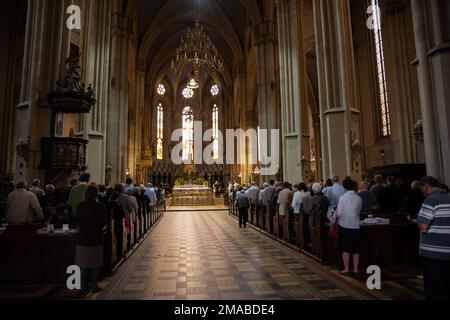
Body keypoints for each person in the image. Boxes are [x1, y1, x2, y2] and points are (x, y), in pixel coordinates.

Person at [416, 176, 450, 300]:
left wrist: (419, 222)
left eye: (422, 190)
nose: (423, 193)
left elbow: (423, 226)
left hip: (433, 251)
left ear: (427, 187)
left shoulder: (430, 200)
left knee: (435, 286)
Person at [75, 185, 107, 294]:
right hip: (96, 237)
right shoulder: (100, 206)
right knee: (95, 264)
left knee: (82, 264)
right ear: (96, 194)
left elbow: (76, 220)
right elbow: (103, 222)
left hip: (83, 237)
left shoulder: (79, 206)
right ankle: (94, 286)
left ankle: (82, 287)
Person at [336, 178, 363, 276]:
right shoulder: (358, 198)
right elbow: (359, 210)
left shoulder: (343, 198)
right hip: (355, 225)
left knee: (345, 248)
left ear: (345, 187)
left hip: (344, 225)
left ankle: (346, 268)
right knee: (356, 248)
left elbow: (339, 213)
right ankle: (356, 268)